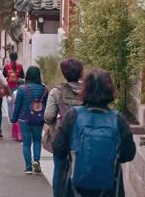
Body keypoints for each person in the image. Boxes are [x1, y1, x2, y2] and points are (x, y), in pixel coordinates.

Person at [52, 69, 136, 197]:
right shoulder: (118, 119)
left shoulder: (73, 115)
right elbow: (128, 154)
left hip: (74, 188)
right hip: (109, 188)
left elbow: (58, 148)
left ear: (85, 90)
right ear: (110, 90)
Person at [44, 58, 84, 196]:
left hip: (61, 138)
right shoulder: (87, 92)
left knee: (59, 171)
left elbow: (48, 116)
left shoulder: (57, 92)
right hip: (83, 139)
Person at [12, 66, 48, 174]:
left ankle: (28, 167)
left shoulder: (22, 88)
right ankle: (36, 161)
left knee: (26, 143)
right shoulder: (44, 89)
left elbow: (17, 105)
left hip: (24, 119)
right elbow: (46, 105)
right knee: (37, 140)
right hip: (39, 119)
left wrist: (14, 119)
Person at [4, 52, 25, 123]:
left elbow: (4, 76)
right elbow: (22, 76)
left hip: (8, 87)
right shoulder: (20, 66)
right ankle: (17, 117)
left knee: (9, 103)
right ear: (16, 58)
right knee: (17, 103)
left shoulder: (6, 66)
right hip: (17, 87)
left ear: (10, 57)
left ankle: (11, 119)